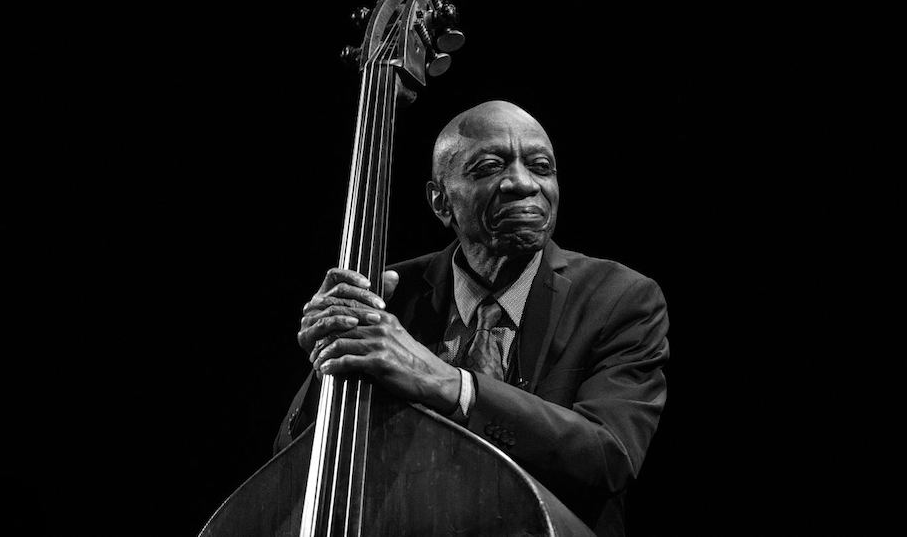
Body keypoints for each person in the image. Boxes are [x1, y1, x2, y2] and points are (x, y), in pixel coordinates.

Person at [276, 100, 670, 536]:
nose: (523, 183)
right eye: (488, 168)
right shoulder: (390, 295)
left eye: (541, 167)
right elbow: (291, 462)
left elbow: (609, 456)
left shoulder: (619, 297)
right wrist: (327, 358)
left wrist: (450, 383)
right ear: (441, 201)